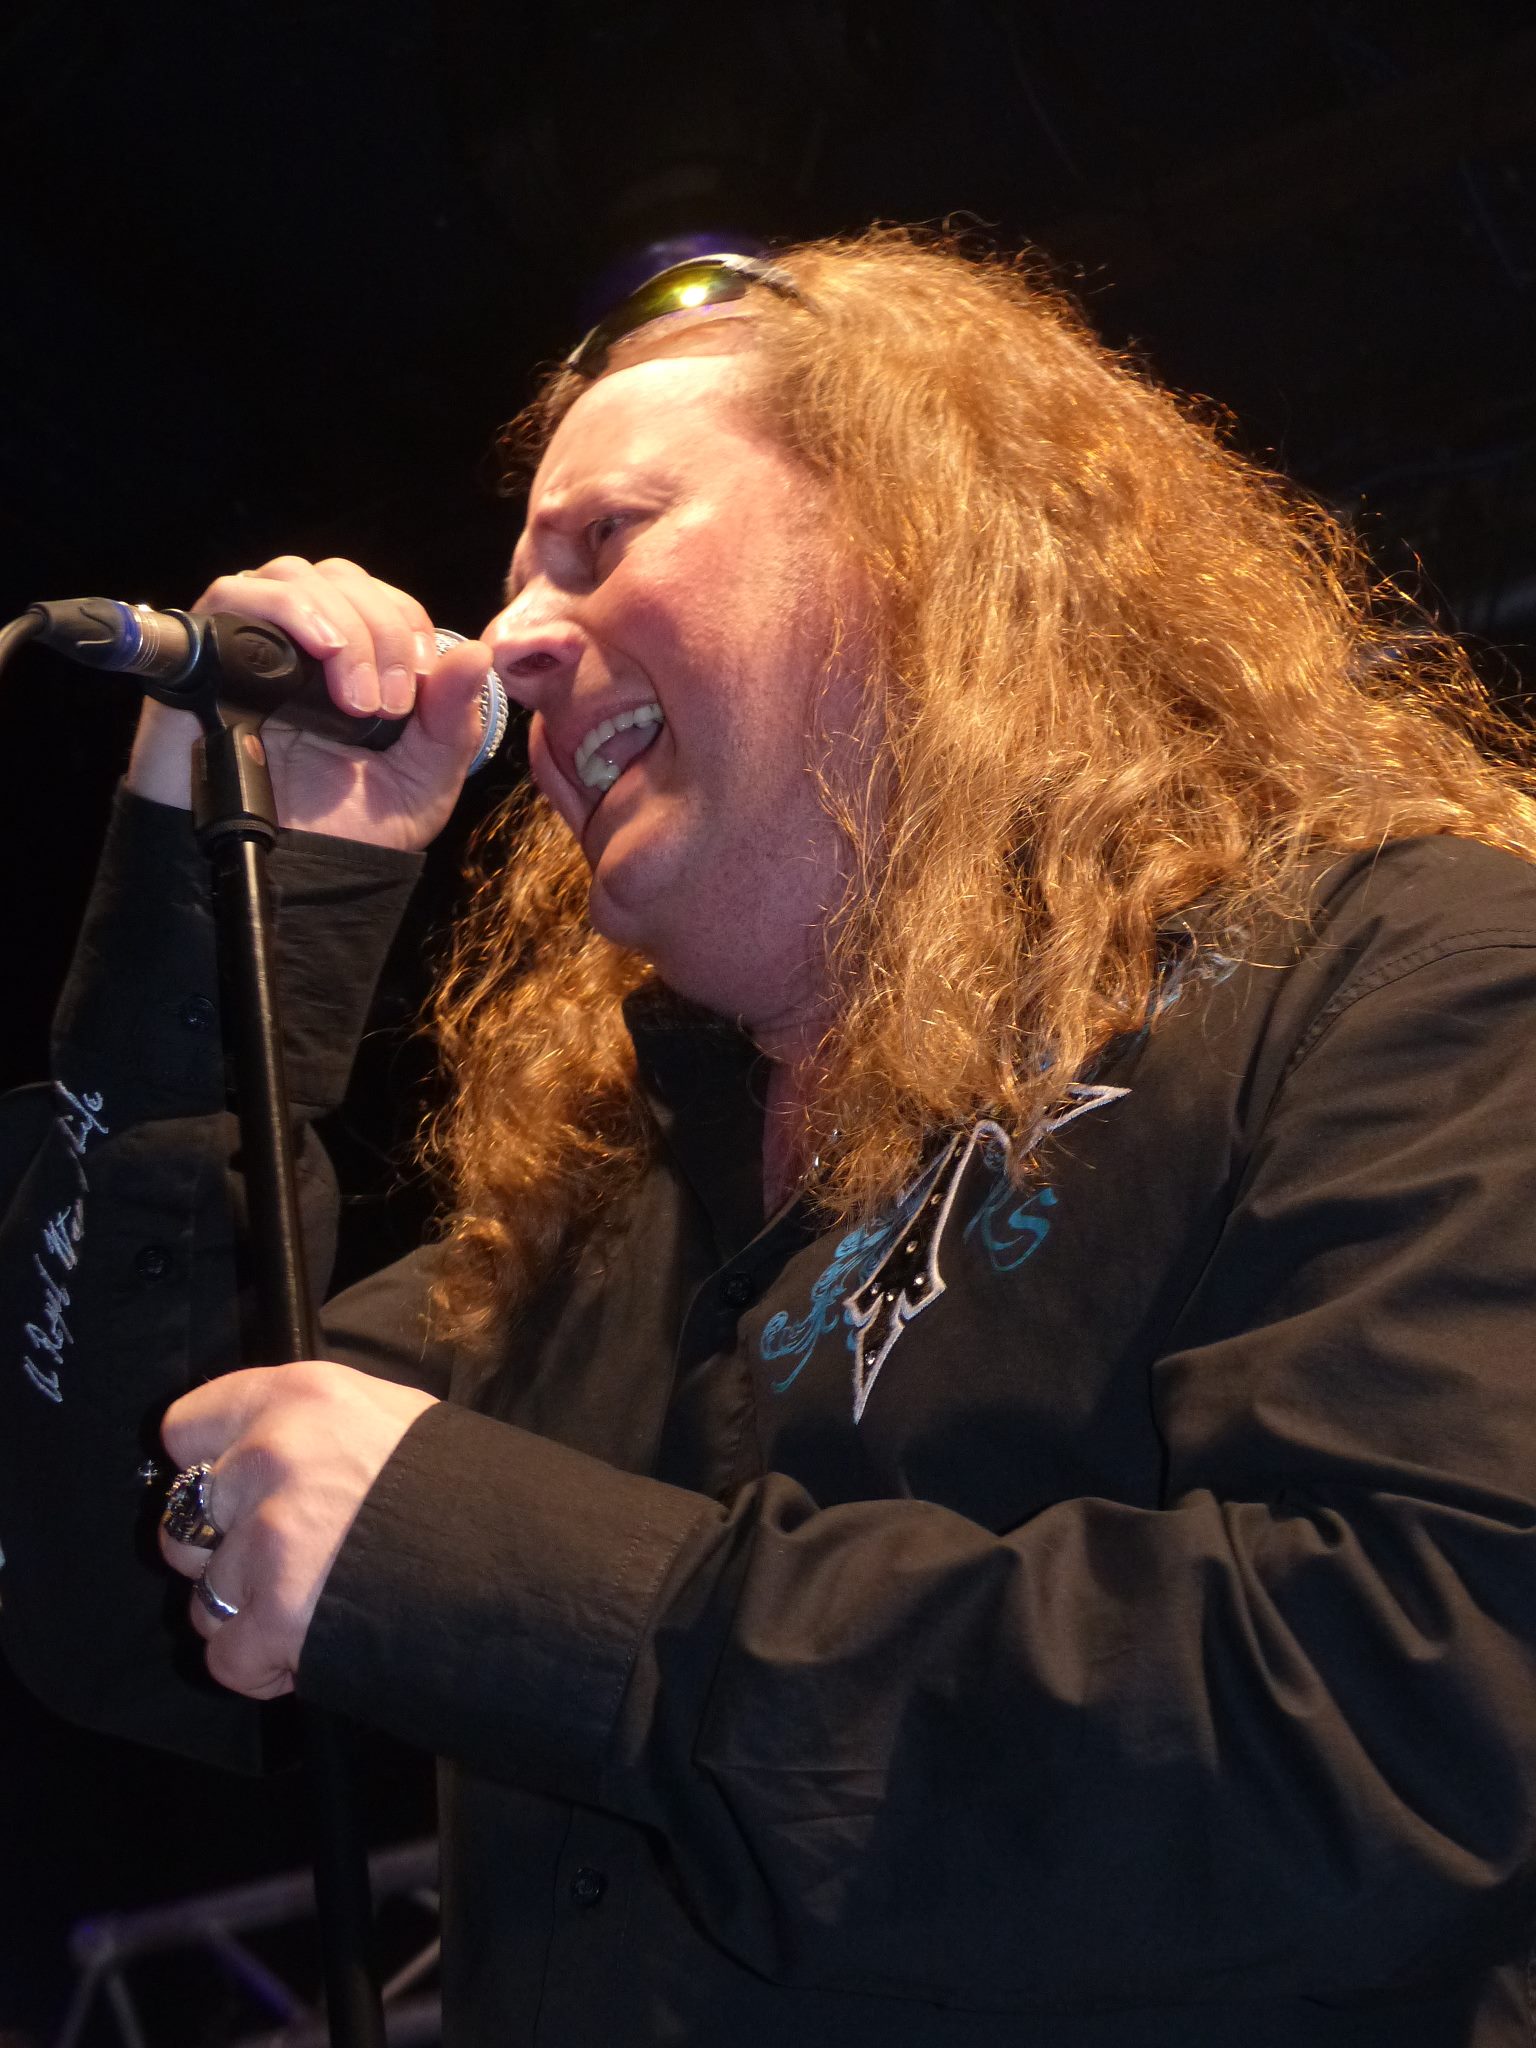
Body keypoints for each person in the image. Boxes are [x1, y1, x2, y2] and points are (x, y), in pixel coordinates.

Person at [5, 230, 1536, 2046]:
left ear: (925, 549)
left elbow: (1414, 1716)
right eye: (519, 579)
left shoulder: (1406, 980)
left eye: (606, 539)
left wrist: (515, 1586)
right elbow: (117, 1590)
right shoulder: (585, 1224)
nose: (511, 643)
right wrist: (207, 917)